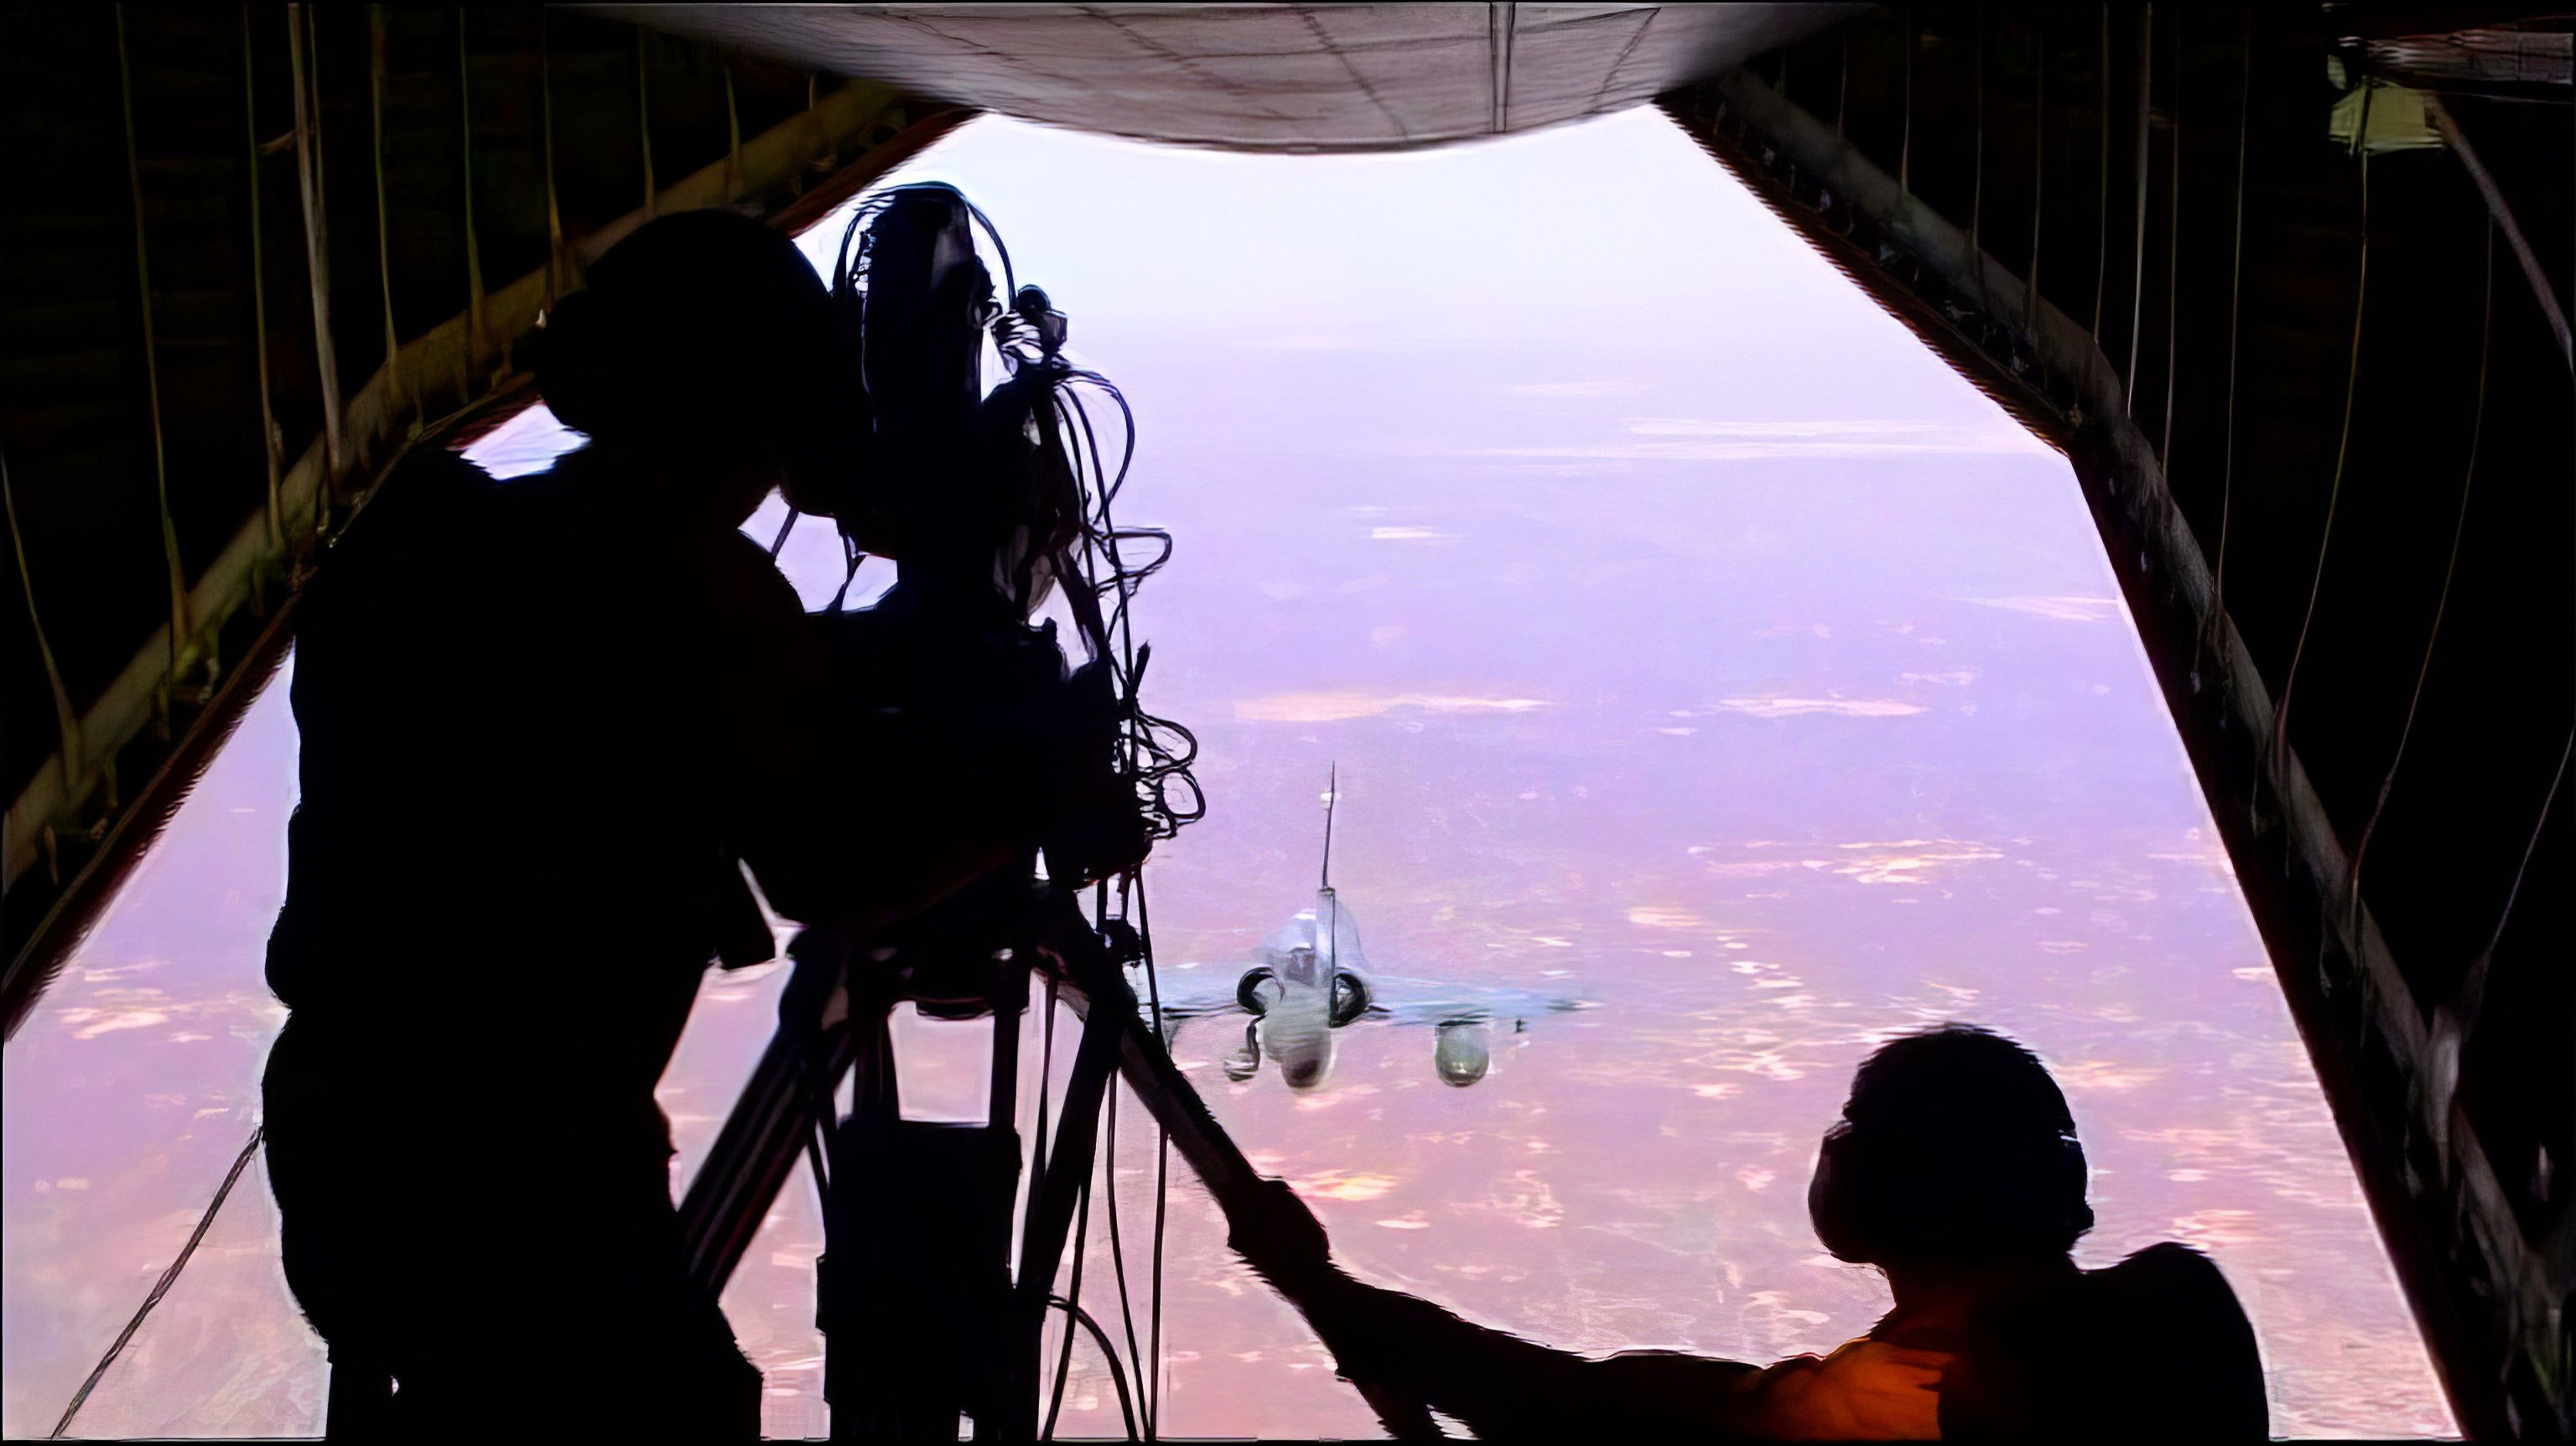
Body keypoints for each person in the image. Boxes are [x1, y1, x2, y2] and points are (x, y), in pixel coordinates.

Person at [260, 211, 1037, 1439]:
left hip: (347, 1164)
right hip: (526, 1196)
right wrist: (1044, 791)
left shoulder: (440, 545)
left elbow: (574, 711)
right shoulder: (695, 597)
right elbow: (838, 868)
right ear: (752, 403)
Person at [1228, 1024, 2269, 1440]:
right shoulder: (2178, 1315)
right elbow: (1684, 1399)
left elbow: (1570, 1407)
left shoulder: (1891, 1405)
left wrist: (1318, 1287)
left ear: (1873, 1186)